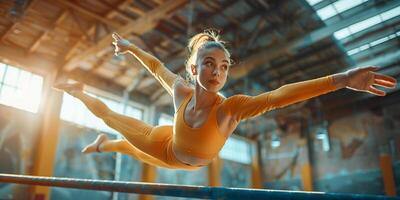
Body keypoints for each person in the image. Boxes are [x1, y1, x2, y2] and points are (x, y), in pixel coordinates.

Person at [55, 30, 397, 170]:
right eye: (208, 64)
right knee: (115, 122)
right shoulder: (181, 91)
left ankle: (105, 145)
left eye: (223, 66)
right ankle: (80, 93)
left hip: (179, 158)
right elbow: (157, 67)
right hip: (166, 145)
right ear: (193, 68)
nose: (217, 72)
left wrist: (342, 80)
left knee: (129, 146)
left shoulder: (231, 109)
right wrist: (130, 48)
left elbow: (279, 96)